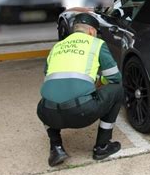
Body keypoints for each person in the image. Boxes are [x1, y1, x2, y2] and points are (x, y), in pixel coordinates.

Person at [37, 13, 123, 167]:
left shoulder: (57, 47)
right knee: (117, 90)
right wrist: (98, 82)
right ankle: (102, 146)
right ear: (91, 31)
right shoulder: (96, 44)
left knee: (46, 101)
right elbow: (115, 78)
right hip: (81, 113)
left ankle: (56, 147)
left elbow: (49, 78)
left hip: (48, 114)